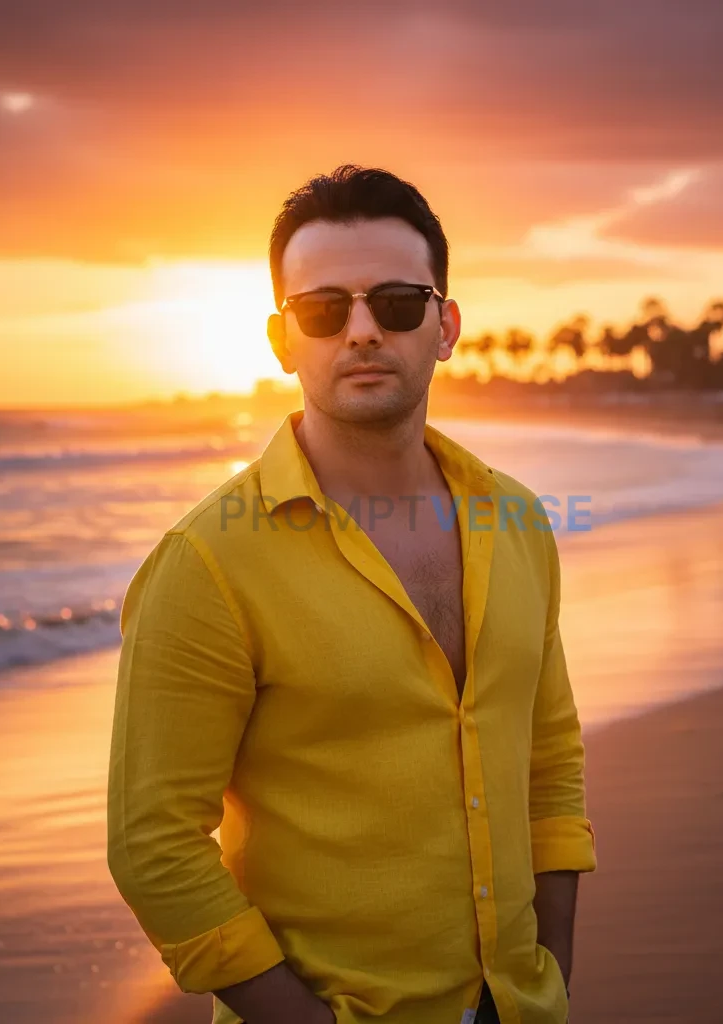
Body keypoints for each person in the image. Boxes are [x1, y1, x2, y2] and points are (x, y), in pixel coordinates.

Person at [107, 165, 597, 1024]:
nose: (362, 332)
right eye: (324, 309)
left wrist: (548, 975)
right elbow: (153, 844)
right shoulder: (208, 562)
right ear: (281, 339)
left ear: (444, 326)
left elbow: (547, 763)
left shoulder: (517, 520)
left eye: (398, 303)